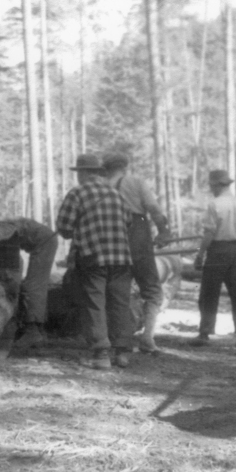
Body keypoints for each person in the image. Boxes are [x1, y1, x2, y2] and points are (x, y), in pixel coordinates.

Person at [56, 153, 133, 370]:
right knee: (120, 303)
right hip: (121, 258)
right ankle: (122, 352)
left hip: (94, 257)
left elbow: (64, 227)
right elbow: (128, 221)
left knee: (95, 303)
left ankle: (101, 354)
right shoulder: (116, 194)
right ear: (97, 173)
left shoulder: (77, 193)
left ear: (83, 173)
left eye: (79, 173)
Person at [102, 152, 172, 354]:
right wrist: (164, 231)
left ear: (107, 169)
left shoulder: (102, 187)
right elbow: (153, 208)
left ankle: (119, 343)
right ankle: (147, 338)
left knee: (119, 293)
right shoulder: (136, 182)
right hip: (138, 235)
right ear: (124, 167)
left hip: (113, 239)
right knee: (152, 290)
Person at [191, 170, 236, 348]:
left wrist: (200, 254)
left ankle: (204, 333)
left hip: (218, 250)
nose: (211, 189)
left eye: (212, 186)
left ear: (216, 185)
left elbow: (209, 233)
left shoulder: (214, 205)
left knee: (209, 293)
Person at [5, 217, 59, 349]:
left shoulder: (5, 229)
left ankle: (32, 331)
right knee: (36, 286)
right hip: (45, 239)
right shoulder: (8, 228)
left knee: (32, 287)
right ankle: (39, 332)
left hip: (43, 241)